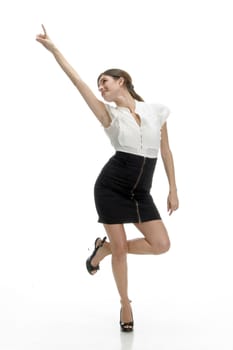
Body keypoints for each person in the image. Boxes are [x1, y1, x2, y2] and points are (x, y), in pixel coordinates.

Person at [36, 24, 179, 332]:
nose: (100, 88)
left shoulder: (155, 112)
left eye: (104, 82)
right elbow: (77, 83)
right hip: (111, 188)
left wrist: (173, 189)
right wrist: (55, 50)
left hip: (142, 192)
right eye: (99, 85)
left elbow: (166, 152)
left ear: (121, 81)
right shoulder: (109, 115)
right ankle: (125, 305)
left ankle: (105, 249)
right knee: (123, 253)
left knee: (161, 244)